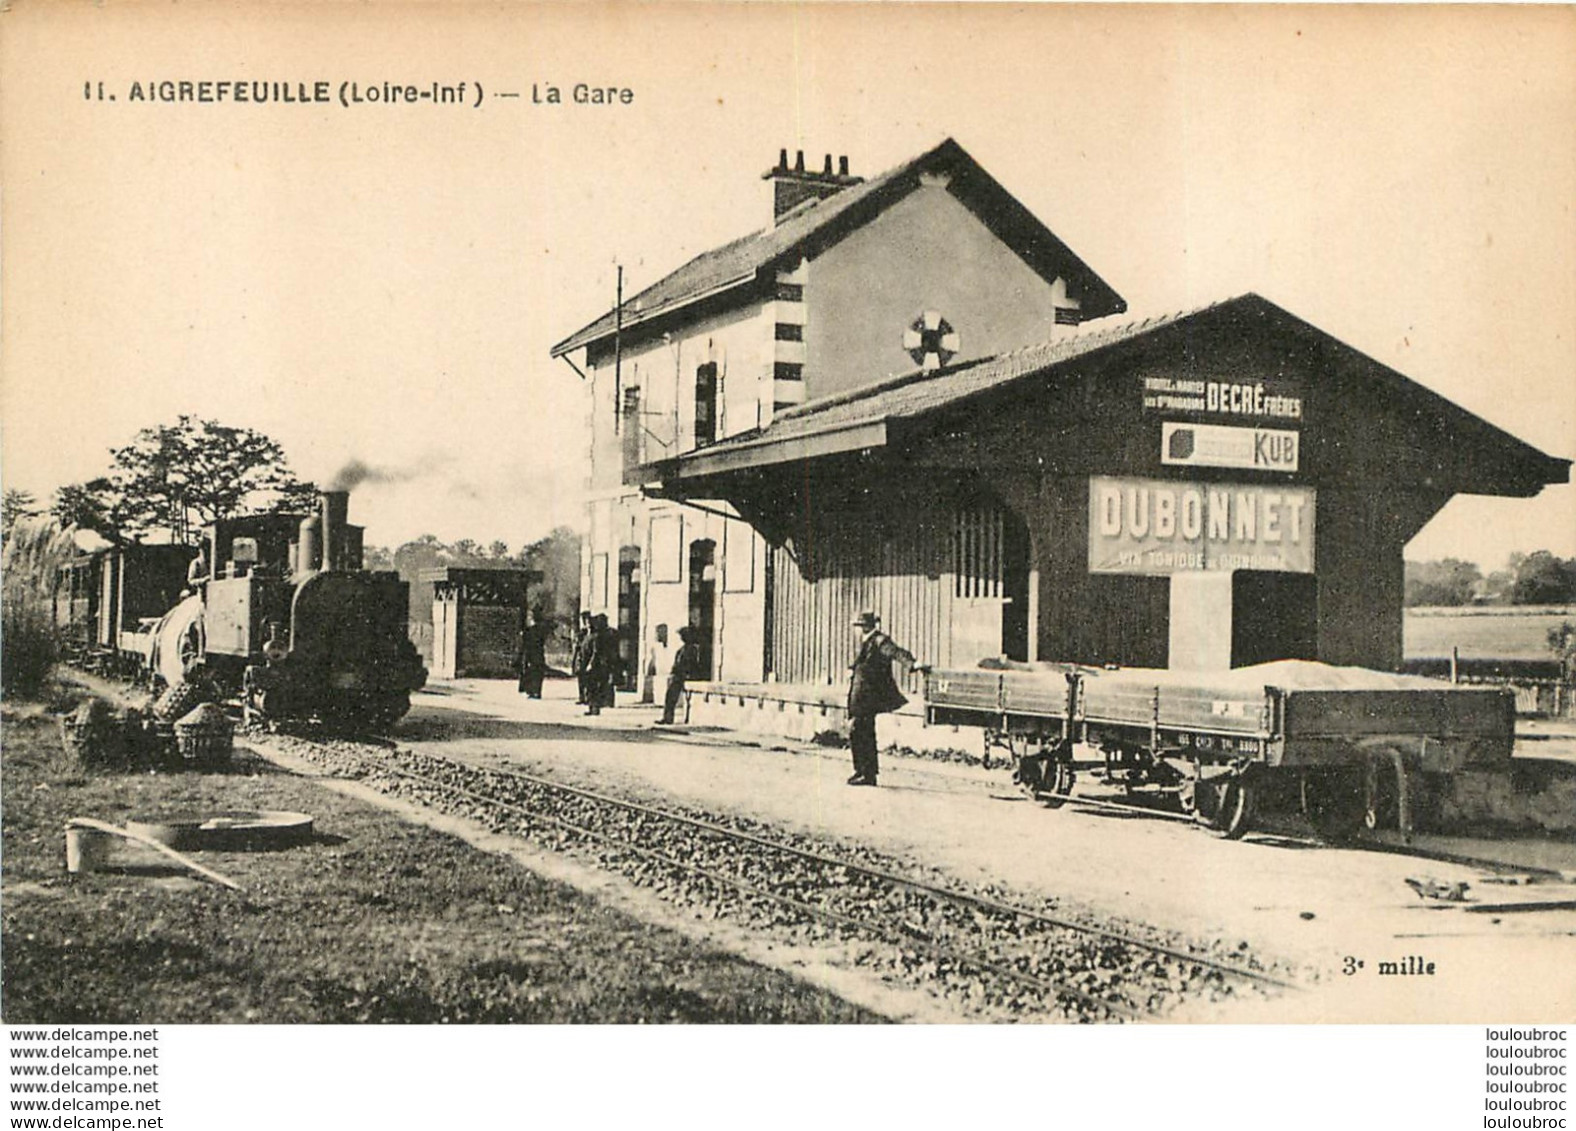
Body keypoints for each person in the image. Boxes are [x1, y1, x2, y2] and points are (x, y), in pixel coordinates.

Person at [845, 611, 916, 787]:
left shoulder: (879, 640)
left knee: (863, 732)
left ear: (865, 626)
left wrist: (912, 664)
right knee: (858, 732)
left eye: (858, 626)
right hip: (861, 694)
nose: (856, 630)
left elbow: (896, 653)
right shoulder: (866, 641)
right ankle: (861, 771)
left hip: (869, 695)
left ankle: (867, 773)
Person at [656, 625, 702, 725]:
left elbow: (692, 664)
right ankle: (667, 717)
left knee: (671, 697)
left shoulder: (691, 649)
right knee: (669, 697)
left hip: (682, 676)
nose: (681, 638)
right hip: (678, 676)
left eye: (683, 636)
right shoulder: (683, 648)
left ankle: (668, 718)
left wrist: (688, 675)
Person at [583, 613, 619, 716]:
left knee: (594, 687)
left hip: (597, 666)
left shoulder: (599, 636)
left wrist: (591, 664)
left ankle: (595, 707)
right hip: (596, 664)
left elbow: (596, 651)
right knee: (592, 687)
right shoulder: (591, 635)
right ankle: (593, 706)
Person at [515, 608, 549, 699]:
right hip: (537, 654)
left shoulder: (531, 630)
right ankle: (535, 691)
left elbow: (526, 643)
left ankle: (533, 691)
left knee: (532, 672)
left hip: (532, 654)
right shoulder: (540, 628)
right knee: (536, 673)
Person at [571, 612, 593, 704]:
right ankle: (582, 697)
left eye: (586, 619)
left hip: (587, 657)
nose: (585, 622)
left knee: (588, 680)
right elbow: (577, 646)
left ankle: (587, 698)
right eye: (583, 619)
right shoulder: (582, 633)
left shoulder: (591, 632)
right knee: (581, 679)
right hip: (581, 657)